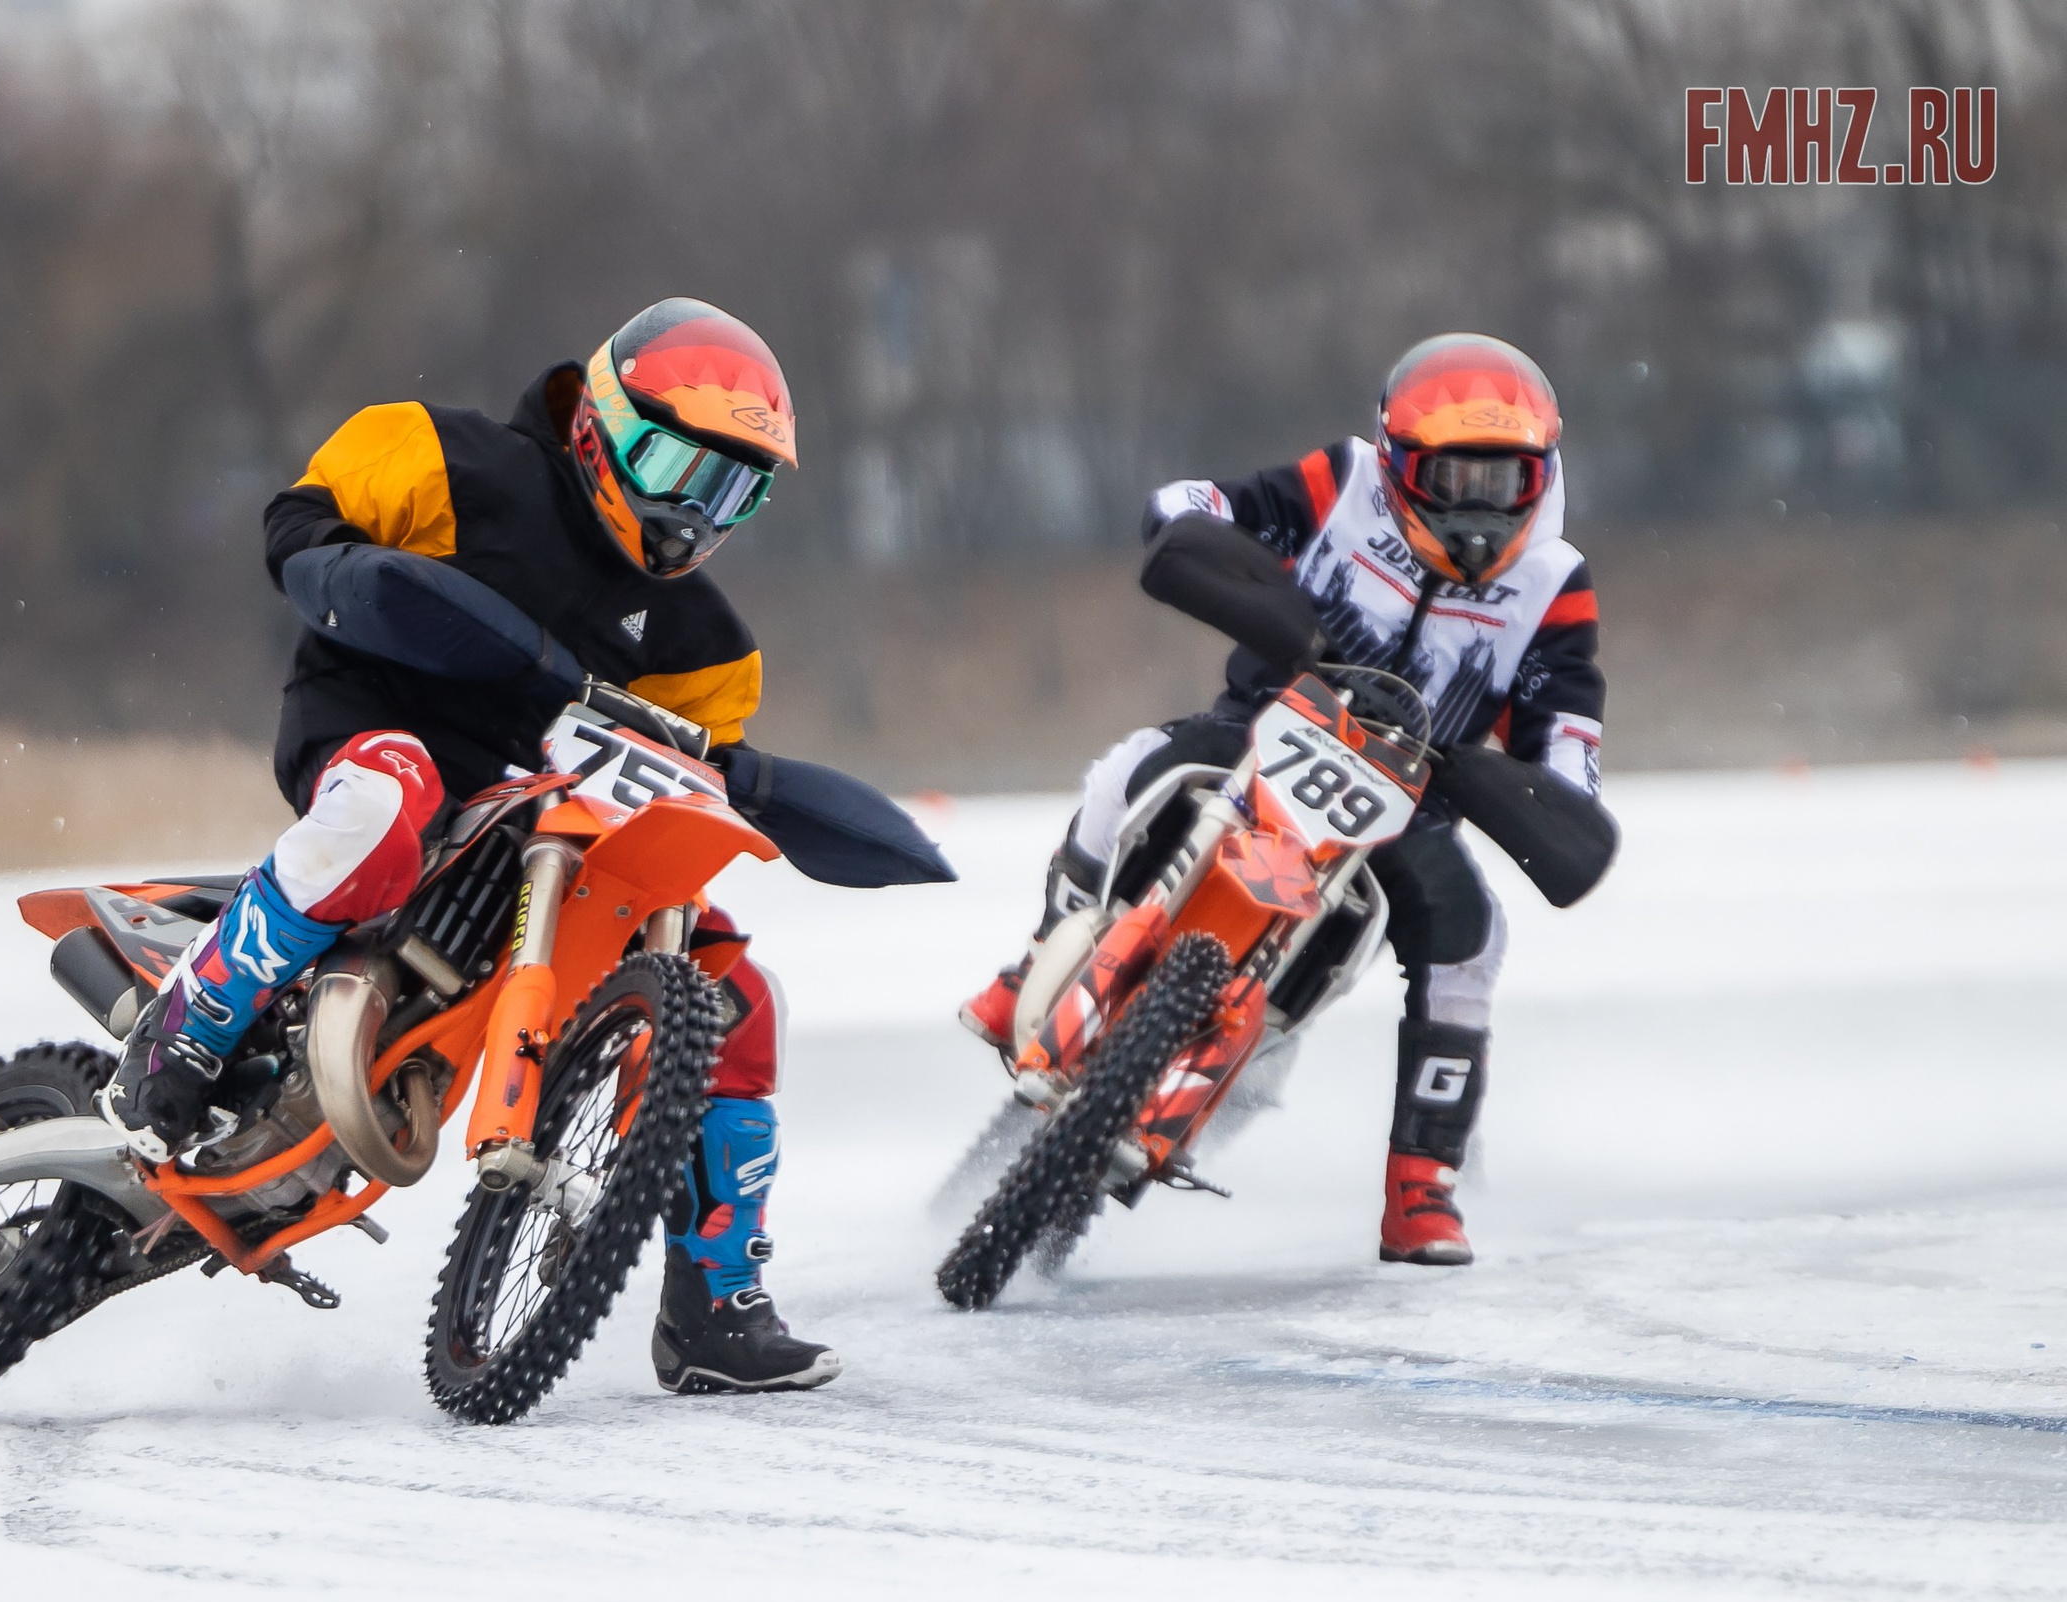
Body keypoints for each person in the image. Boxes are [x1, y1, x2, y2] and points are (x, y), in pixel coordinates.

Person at [105, 298, 838, 1393]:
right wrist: (334, 567)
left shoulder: (712, 648)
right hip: (373, 729)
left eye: (729, 487)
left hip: (551, 814)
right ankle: (183, 1030)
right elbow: (299, 524)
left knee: (740, 994)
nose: (693, 512)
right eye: (677, 467)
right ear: (599, 425)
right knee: (381, 805)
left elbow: (694, 775)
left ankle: (714, 1305)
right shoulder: (442, 456)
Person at [959, 333, 1606, 1266]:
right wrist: (1244, 577)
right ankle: (1037, 960)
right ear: (1397, 464)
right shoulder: (1339, 481)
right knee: (1130, 767)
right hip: (1261, 729)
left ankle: (1422, 1187)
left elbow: (1571, 745)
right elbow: (1193, 504)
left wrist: (1504, 781)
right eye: (1452, 476)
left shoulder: (1554, 586)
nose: (1477, 509)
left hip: (1407, 808)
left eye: (1503, 483)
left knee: (1476, 938)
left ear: (1541, 477)